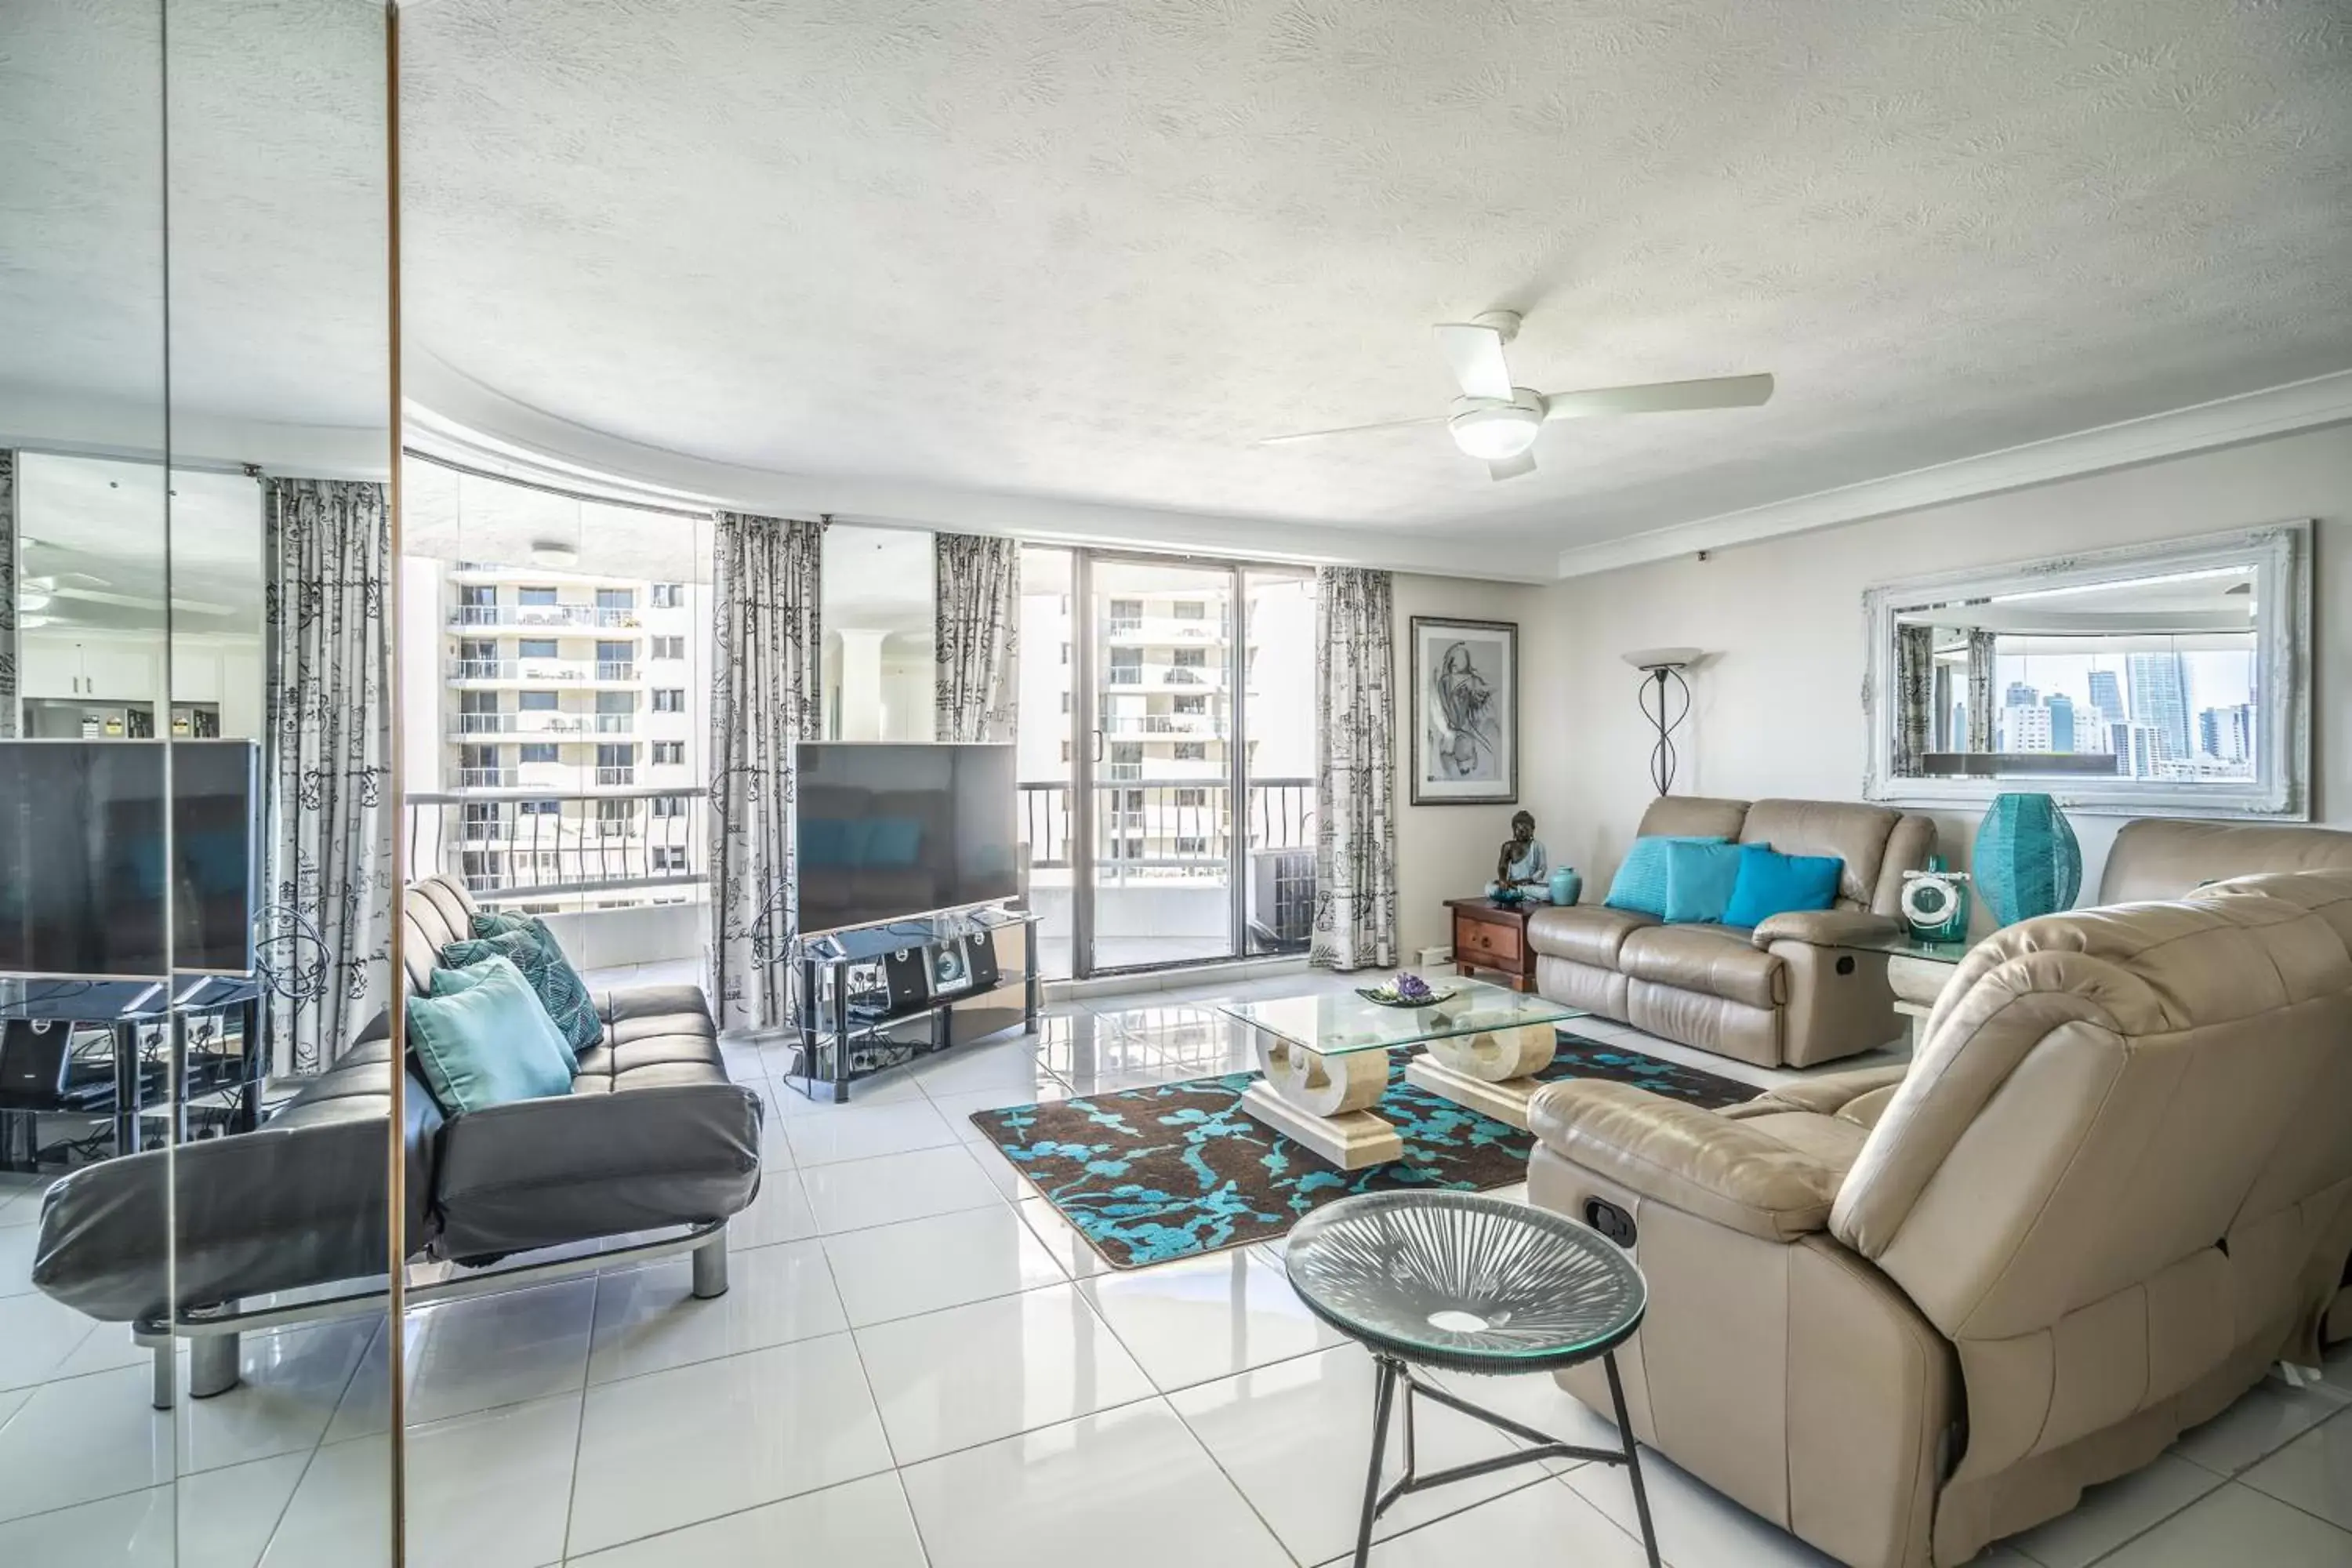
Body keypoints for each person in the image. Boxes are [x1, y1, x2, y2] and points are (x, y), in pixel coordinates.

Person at [1486, 810, 1549, 900]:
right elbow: (1502, 866)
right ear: (1513, 830)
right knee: (1489, 887)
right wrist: (1503, 880)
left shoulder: (1538, 846)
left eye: (1525, 830)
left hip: (1529, 886)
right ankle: (1518, 894)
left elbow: (1542, 870)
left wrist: (1525, 881)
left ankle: (1519, 894)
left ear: (1532, 830)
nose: (1522, 833)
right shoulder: (1508, 846)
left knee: (1547, 893)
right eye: (1518, 830)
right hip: (1512, 885)